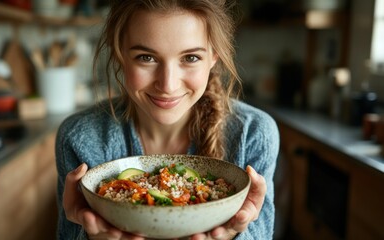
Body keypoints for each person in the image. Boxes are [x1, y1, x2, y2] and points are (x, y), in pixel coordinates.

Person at [55, 0, 280, 239]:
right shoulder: (80, 137)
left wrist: (236, 236)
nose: (168, 85)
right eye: (146, 57)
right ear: (119, 52)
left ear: (214, 56)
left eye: (191, 58)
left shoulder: (254, 133)